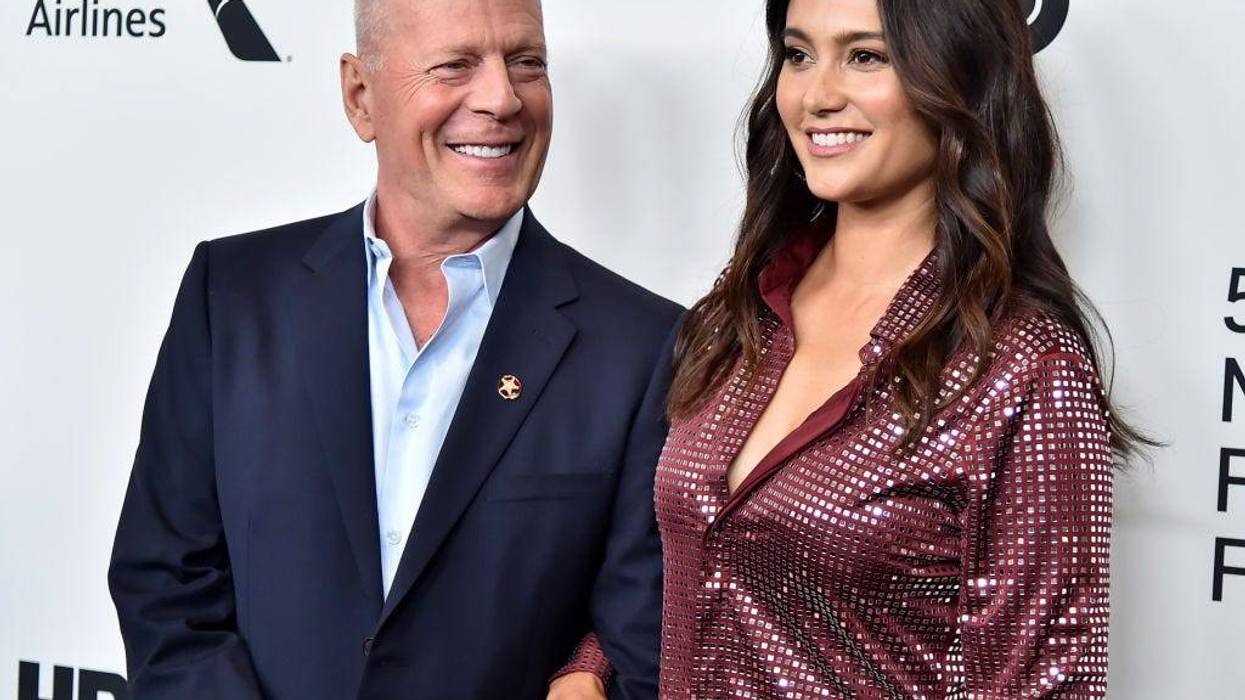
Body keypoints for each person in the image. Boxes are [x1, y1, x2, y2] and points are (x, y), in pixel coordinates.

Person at [107, 1, 679, 698]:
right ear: (360, 97)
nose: (501, 98)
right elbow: (165, 582)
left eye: (526, 62)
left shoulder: (644, 347)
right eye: (454, 65)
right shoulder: (231, 296)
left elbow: (644, 645)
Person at [655, 0, 1149, 697]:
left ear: (960, 78)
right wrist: (590, 665)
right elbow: (688, 568)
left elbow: (1037, 685)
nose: (817, 95)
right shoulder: (733, 315)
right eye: (798, 55)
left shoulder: (1023, 367)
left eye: (866, 56)